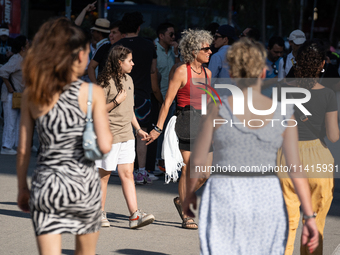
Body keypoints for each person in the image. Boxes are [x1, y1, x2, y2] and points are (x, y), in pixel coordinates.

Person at [182, 37, 319, 254]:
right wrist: (309, 216)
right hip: (265, 196)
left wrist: (189, 194)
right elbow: (295, 168)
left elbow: (198, 160)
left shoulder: (217, 109)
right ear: (264, 73)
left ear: (234, 74)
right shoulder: (284, 113)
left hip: (224, 193)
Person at [16, 17, 112, 255]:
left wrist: (22, 189)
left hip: (46, 184)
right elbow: (105, 145)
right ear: (79, 56)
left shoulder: (33, 93)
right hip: (83, 186)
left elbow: (23, 149)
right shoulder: (93, 92)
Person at [146, 29, 213, 229]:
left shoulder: (208, 73)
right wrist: (158, 128)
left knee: (204, 173)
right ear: (194, 51)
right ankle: (187, 214)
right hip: (186, 120)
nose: (210, 52)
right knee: (189, 168)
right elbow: (167, 103)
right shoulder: (182, 71)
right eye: (206, 49)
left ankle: (182, 199)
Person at [277, 39, 339, 255]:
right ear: (322, 64)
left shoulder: (282, 89)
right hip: (318, 158)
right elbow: (332, 136)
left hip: (287, 156)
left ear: (297, 62)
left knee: (286, 224)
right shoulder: (328, 95)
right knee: (314, 226)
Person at [96, 45, 155, 228]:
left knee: (128, 174)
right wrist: (115, 102)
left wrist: (137, 129)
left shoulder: (129, 79)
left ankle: (134, 215)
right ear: (119, 62)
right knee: (103, 176)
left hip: (127, 136)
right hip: (108, 136)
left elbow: (129, 109)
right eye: (130, 60)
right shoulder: (104, 82)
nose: (133, 63)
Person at [113, 12, 160, 183]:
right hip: (142, 96)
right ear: (139, 27)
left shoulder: (117, 45)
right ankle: (141, 171)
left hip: (120, 94)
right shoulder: (149, 45)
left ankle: (122, 168)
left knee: (121, 131)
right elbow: (153, 70)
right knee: (142, 133)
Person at [0, 35, 29, 155]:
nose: (29, 45)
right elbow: (2, 71)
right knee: (10, 122)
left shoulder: (22, 59)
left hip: (18, 95)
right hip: (11, 95)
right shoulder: (16, 59)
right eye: (27, 44)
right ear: (22, 47)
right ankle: (6, 147)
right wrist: (10, 87)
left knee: (17, 122)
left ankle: (15, 145)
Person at [88, 18, 111, 83]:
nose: (92, 33)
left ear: (99, 33)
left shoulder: (103, 47)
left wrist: (95, 85)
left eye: (94, 31)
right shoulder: (108, 45)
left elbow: (91, 67)